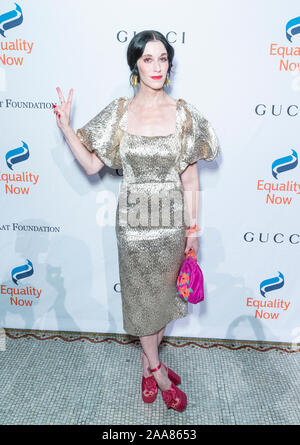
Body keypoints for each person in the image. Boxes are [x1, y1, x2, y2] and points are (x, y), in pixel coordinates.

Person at [53, 30, 220, 412]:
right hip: (133, 227)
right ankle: (158, 371)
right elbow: (94, 165)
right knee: (142, 304)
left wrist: (193, 229)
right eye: (148, 59)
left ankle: (146, 368)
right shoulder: (118, 113)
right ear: (135, 65)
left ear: (170, 65)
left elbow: (190, 178)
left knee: (163, 303)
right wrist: (65, 128)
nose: (157, 66)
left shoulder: (183, 114)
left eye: (163, 59)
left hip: (171, 225)